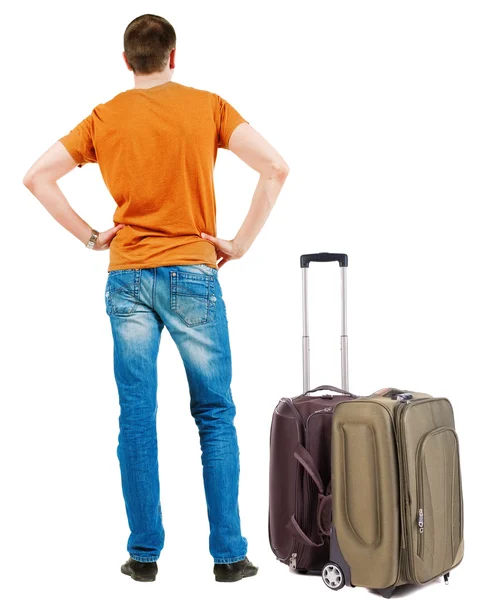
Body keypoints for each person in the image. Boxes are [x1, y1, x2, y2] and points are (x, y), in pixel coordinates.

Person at [22, 13, 289, 584]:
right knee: (215, 415)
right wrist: (238, 245)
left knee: (136, 418)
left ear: (126, 62)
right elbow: (275, 167)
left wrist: (93, 237)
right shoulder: (208, 106)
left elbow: (37, 177)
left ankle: (144, 556)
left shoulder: (105, 117)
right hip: (194, 272)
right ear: (174, 56)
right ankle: (229, 557)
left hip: (129, 278)